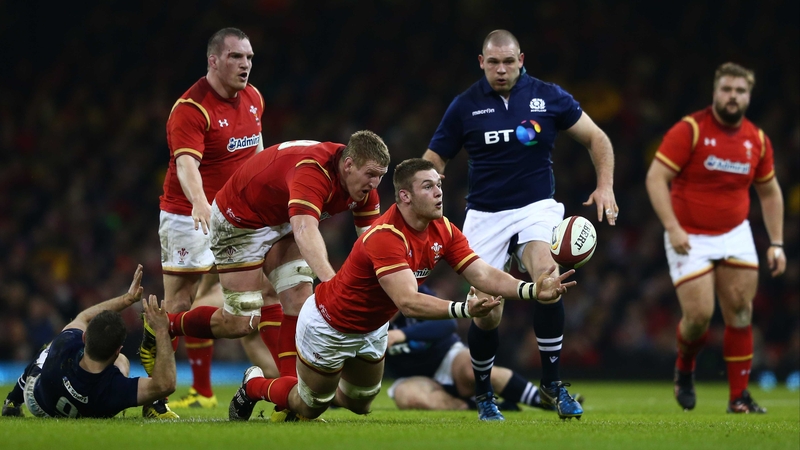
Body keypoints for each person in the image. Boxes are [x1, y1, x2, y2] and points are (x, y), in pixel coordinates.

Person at [227, 158, 577, 423]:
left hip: (371, 328)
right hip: (329, 325)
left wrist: (533, 290)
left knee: (361, 404)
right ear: (405, 196)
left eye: (439, 184)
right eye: (428, 186)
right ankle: (254, 384)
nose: (439, 191)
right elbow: (408, 302)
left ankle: (315, 384)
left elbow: (482, 272)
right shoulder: (386, 236)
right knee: (309, 407)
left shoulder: (444, 229)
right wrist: (465, 310)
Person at [421, 29, 616, 420]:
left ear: (521, 59)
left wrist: (605, 186)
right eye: (493, 62)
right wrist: (429, 190)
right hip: (485, 215)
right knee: (486, 308)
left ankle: (553, 385)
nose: (501, 69)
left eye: (508, 61)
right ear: (481, 63)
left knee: (548, 276)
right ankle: (484, 394)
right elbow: (433, 160)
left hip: (536, 207)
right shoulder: (464, 107)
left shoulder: (549, 96)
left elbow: (597, 138)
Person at [141, 131, 390, 390]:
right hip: (239, 219)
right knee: (241, 322)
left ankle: (291, 392)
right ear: (348, 165)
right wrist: (332, 283)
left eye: (380, 176)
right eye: (371, 174)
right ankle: (165, 324)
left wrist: (385, 283)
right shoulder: (313, 172)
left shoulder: (364, 190)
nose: (375, 183)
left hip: (280, 219)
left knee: (298, 299)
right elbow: (305, 230)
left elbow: (372, 245)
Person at [645, 62, 785, 414]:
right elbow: (655, 178)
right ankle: (685, 367)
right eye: (727, 89)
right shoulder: (690, 130)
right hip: (688, 234)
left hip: (735, 232)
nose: (733, 96)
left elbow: (770, 193)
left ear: (749, 96)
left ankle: (738, 397)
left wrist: (777, 243)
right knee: (699, 317)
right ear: (715, 92)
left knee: (740, 310)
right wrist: (673, 228)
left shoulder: (757, 140)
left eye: (739, 90)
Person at [145, 27, 266, 416]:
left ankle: (278, 383)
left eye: (248, 57)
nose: (245, 65)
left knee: (258, 297)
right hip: (188, 216)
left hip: (237, 215)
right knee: (180, 301)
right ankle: (153, 397)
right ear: (214, 60)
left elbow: (258, 155)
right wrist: (201, 203)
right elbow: (186, 165)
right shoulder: (190, 108)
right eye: (236, 57)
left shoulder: (253, 99)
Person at [1, 266, 176, 419]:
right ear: (117, 350)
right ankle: (152, 404)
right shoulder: (116, 388)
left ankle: (13, 400)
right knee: (123, 362)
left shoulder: (66, 344)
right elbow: (165, 385)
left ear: (85, 338)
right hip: (96, 406)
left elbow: (83, 317)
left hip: (40, 404)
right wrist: (161, 331)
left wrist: (126, 299)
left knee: (47, 351)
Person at [386, 285, 583, 413]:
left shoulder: (416, 292)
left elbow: (448, 324)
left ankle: (545, 400)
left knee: (473, 371)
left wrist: (402, 335)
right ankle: (476, 406)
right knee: (408, 398)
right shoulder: (368, 316)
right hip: (411, 377)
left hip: (448, 359)